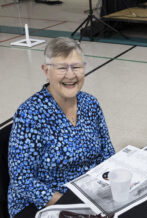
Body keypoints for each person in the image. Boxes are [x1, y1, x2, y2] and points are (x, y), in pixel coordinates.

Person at [8, 37, 115, 218]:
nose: (70, 75)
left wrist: (111, 181)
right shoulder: (30, 114)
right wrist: (73, 206)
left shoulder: (90, 103)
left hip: (89, 194)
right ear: (46, 70)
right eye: (62, 68)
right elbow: (22, 179)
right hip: (42, 203)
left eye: (76, 67)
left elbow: (107, 151)